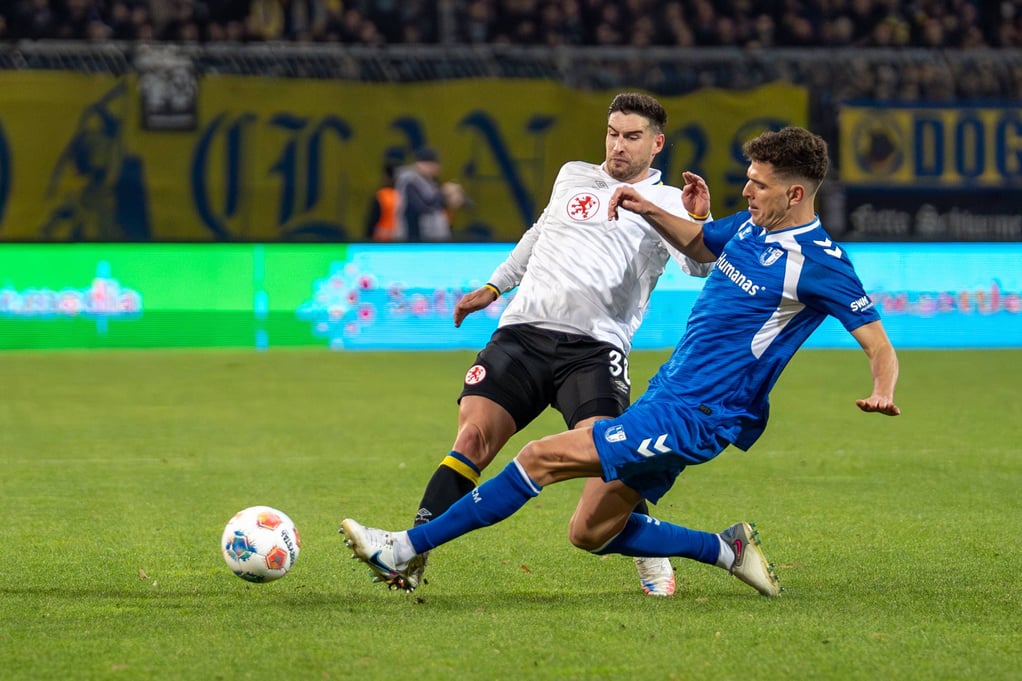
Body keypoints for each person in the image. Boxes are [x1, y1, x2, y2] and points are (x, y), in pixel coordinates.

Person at [341, 126, 901, 598]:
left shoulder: (819, 263)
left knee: (539, 457)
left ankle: (403, 548)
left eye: (759, 184)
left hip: (699, 413)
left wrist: (883, 389)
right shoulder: (753, 226)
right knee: (590, 530)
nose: (748, 191)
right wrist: (646, 207)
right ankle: (724, 549)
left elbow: (878, 343)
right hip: (668, 393)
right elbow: (703, 244)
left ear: (796, 193)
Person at [387, 92, 714, 597]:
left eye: (631, 137)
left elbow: (699, 266)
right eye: (612, 133)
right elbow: (539, 234)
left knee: (610, 458)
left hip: (594, 349)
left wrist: (703, 219)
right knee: (472, 439)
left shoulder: (669, 200)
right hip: (522, 334)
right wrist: (495, 285)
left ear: (657, 143)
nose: (618, 145)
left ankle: (652, 558)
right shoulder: (573, 175)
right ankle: (413, 548)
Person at [394, 146, 465, 242]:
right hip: (412, 234)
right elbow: (422, 207)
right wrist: (443, 195)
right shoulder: (410, 182)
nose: (436, 168)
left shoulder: (429, 181)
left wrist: (454, 198)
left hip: (429, 234)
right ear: (421, 164)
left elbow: (436, 202)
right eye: (432, 164)